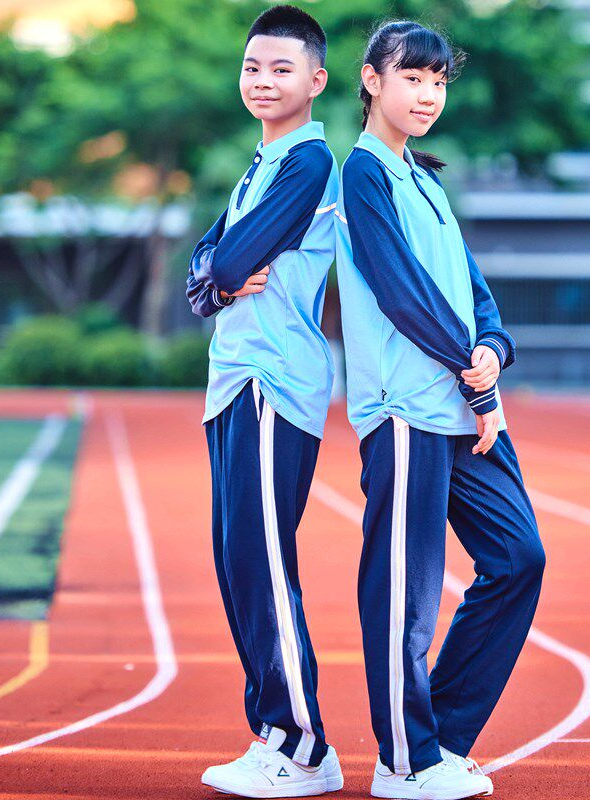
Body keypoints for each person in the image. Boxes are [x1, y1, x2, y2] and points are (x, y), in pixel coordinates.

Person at [334, 20, 547, 800]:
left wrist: (493, 345)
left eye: (438, 81)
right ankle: (403, 760)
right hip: (405, 413)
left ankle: (442, 739)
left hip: (457, 408)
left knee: (519, 559)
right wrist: (478, 379)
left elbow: (472, 294)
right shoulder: (362, 175)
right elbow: (402, 293)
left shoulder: (424, 179)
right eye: (412, 78)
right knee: (407, 593)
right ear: (370, 81)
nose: (427, 94)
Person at [186, 5, 343, 797]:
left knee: (264, 558)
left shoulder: (310, 163)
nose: (262, 80)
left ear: (316, 80)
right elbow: (205, 266)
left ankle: (302, 743)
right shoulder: (259, 164)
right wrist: (214, 269)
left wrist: (218, 267)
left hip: (273, 382)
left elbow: (231, 258)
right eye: (252, 67)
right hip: (234, 380)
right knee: (238, 561)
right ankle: (278, 733)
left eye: (281, 68)